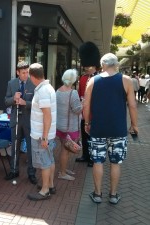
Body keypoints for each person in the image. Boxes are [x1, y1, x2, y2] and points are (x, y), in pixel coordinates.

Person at [83, 53, 138, 204]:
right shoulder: (126, 80)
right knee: (115, 162)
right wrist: (134, 125)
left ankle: (97, 194)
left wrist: (87, 123)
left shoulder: (93, 80)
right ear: (116, 64)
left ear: (102, 65)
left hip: (98, 127)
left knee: (98, 161)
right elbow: (132, 105)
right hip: (118, 128)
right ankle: (113, 195)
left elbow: (86, 105)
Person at [27, 63, 56, 201]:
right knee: (49, 160)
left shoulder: (43, 91)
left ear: (32, 76)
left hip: (42, 135)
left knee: (44, 162)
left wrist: (44, 137)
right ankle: (50, 185)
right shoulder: (48, 87)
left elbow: (47, 116)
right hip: (47, 134)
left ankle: (45, 191)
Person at [4, 61, 37, 184]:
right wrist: (13, 99)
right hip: (16, 119)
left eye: (27, 72)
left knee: (30, 147)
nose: (26, 75)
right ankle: (14, 170)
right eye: (23, 73)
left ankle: (31, 173)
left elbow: (37, 103)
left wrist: (25, 103)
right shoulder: (11, 83)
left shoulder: (33, 83)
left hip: (28, 120)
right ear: (18, 72)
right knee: (15, 147)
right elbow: (6, 101)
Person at [76, 41, 101, 167]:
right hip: (84, 113)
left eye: (88, 65)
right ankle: (85, 155)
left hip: (94, 113)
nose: (86, 67)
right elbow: (80, 94)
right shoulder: (83, 78)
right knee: (84, 136)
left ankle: (93, 157)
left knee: (93, 137)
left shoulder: (100, 78)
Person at [56, 69, 82, 181]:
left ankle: (63, 169)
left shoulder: (58, 91)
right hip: (70, 127)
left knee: (64, 148)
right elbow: (77, 110)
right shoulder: (73, 92)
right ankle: (62, 173)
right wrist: (84, 103)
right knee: (66, 150)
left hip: (60, 125)